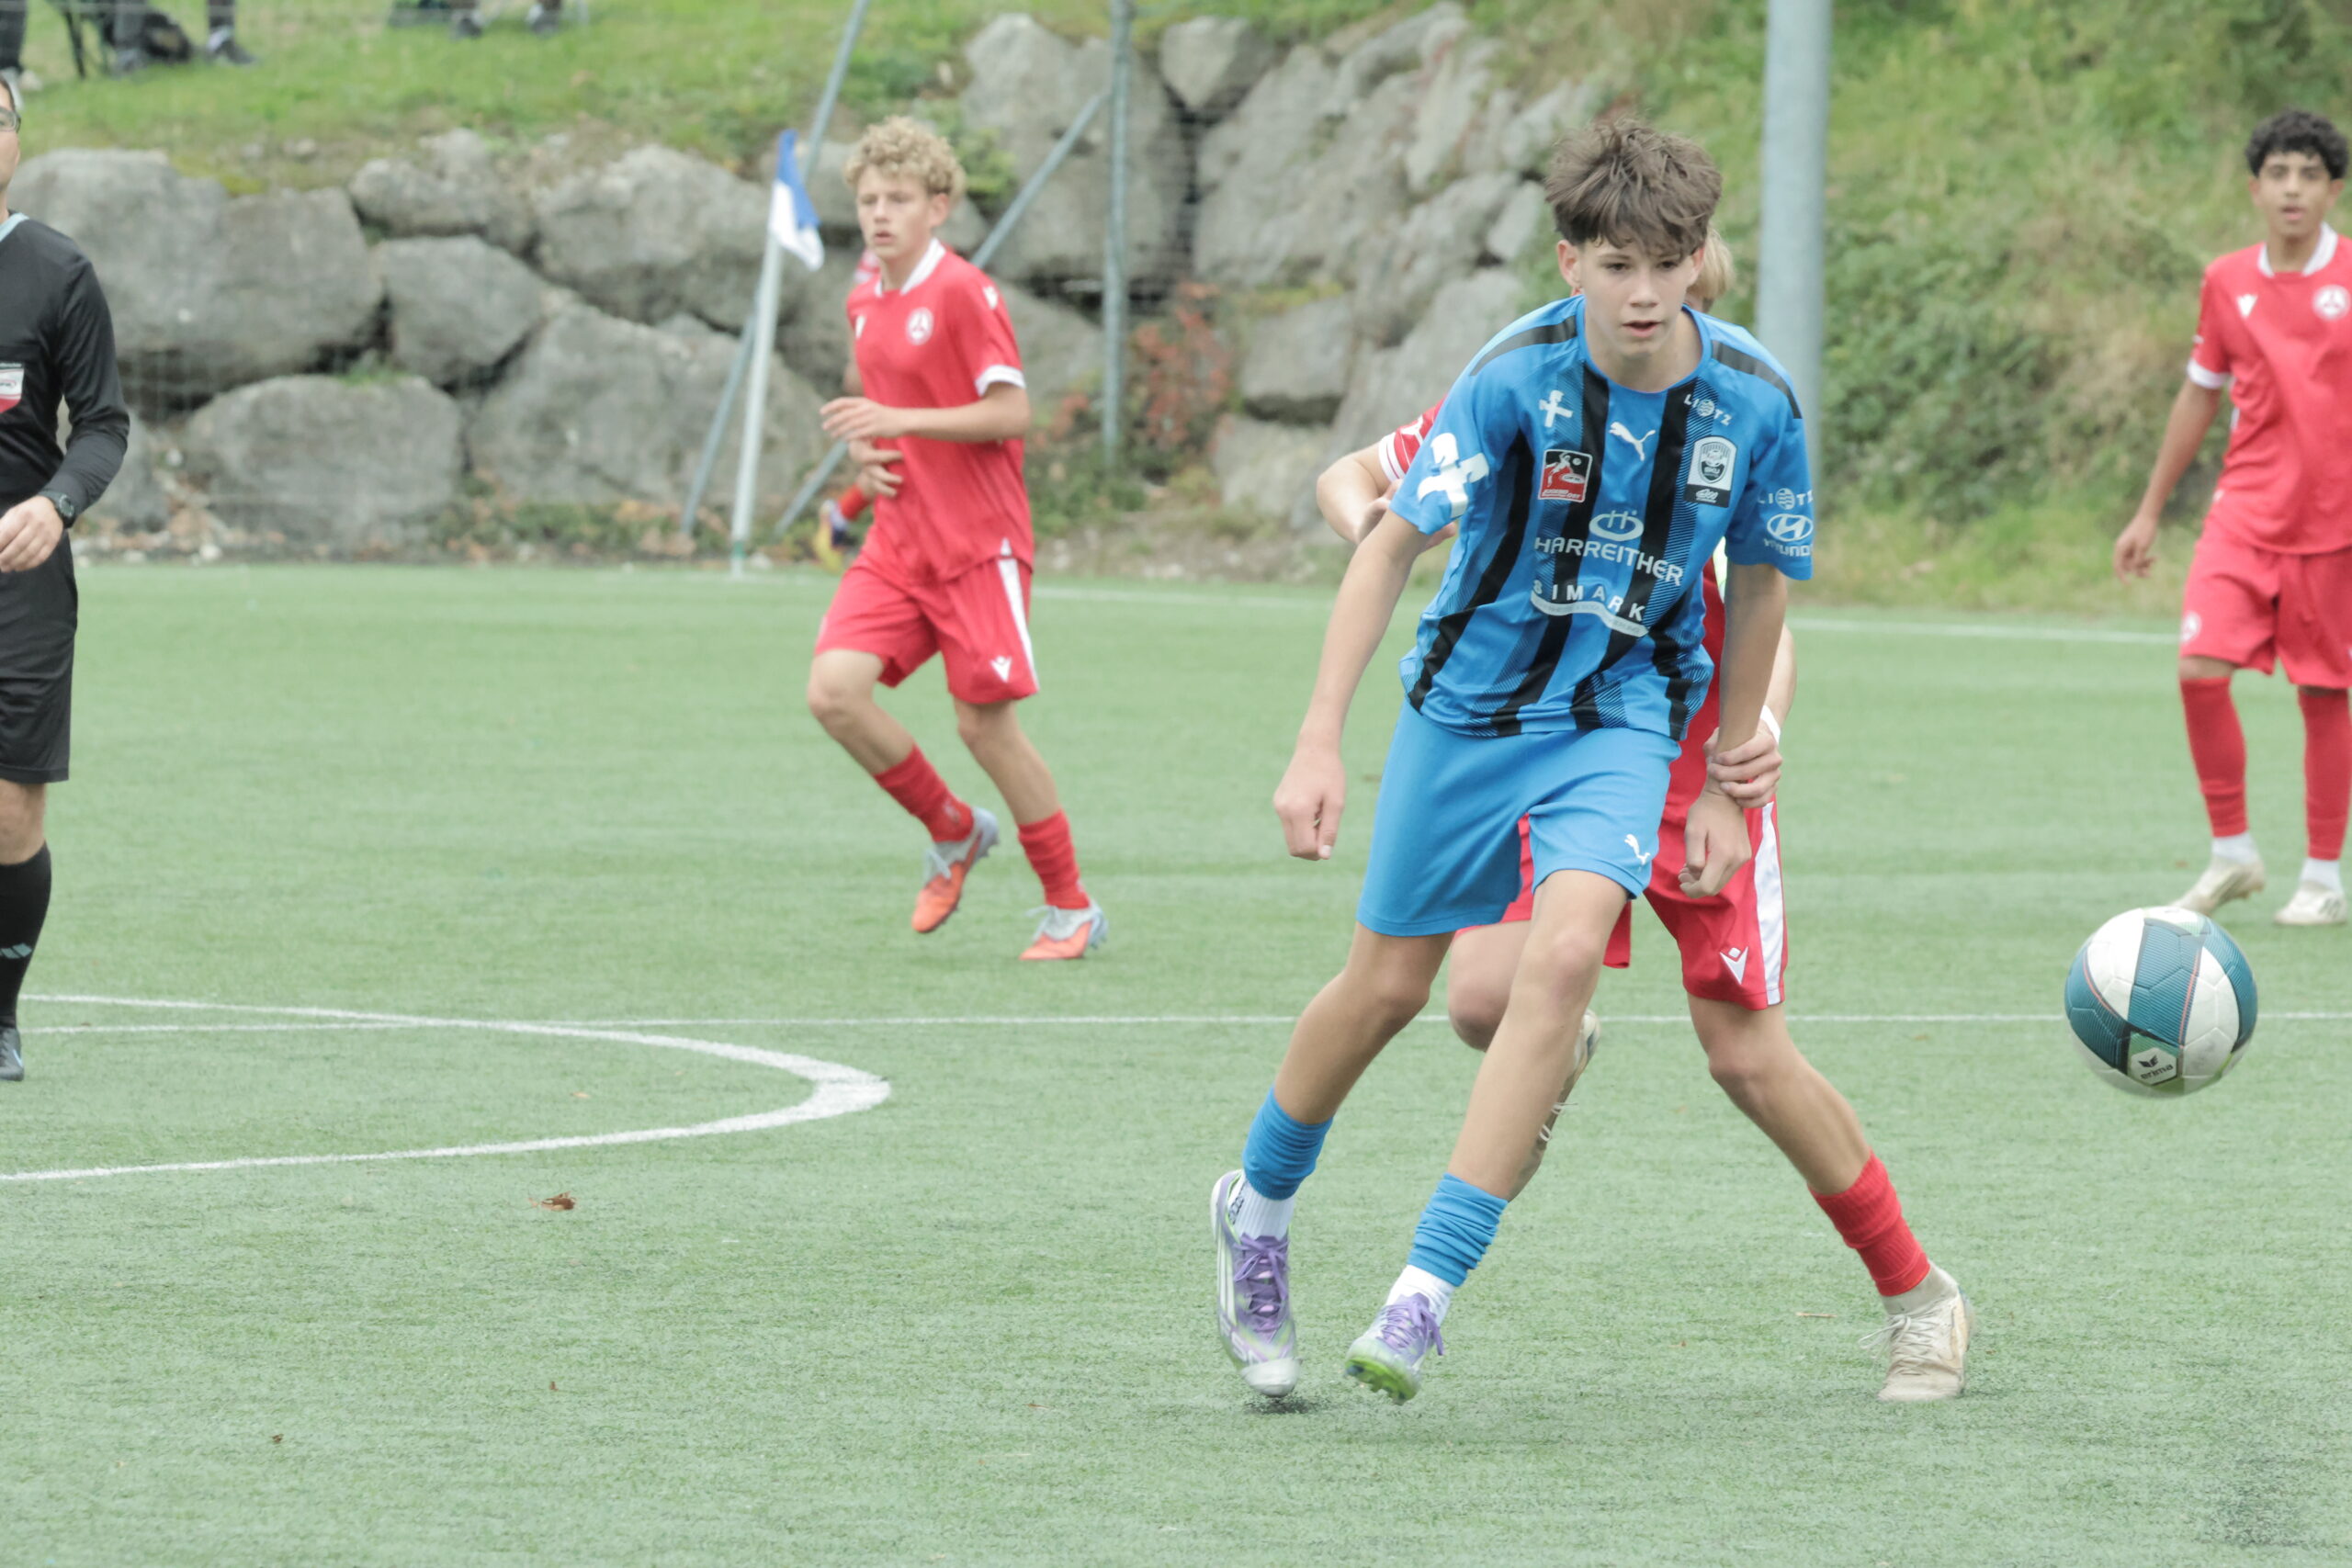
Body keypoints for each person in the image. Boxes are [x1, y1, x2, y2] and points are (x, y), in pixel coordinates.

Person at [1213, 118, 1944, 1410]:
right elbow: (1369, 499)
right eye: (1619, 267)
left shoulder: (1751, 402)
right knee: (1429, 994)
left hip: (1653, 722)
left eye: (1670, 264)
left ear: (1702, 259)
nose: (1647, 293)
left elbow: (1767, 607)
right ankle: (1259, 1208)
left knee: (1732, 1048)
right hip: (1482, 714)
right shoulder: (1517, 378)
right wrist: (1321, 729)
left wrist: (1739, 765)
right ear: (1572, 266)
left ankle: (1432, 1290)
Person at [805, 118, 1103, 961]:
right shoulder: (865, 300)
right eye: (868, 200)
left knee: (984, 729)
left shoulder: (965, 293)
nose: (880, 214)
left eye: (898, 198)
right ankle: (952, 827)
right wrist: (863, 468)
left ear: (938, 207)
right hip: (901, 543)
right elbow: (885, 424)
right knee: (833, 693)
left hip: (979, 546)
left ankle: (1070, 906)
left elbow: (1011, 412)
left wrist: (897, 419)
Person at [2116, 109, 2352, 929]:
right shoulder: (2226, 280)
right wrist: (2148, 510)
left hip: (2334, 527)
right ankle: (2233, 853)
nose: (2293, 189)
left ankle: (2322, 875)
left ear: (2332, 190)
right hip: (2243, 516)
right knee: (2198, 668)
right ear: (2255, 188)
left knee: (2324, 691)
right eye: (2278, 173)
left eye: (2309, 175)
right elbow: (2199, 395)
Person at [0, 70, 130, 1081]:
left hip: (21, 577)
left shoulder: (56, 269)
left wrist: (56, 503)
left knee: (12, 810)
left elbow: (102, 424)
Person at [112, 0, 254, 69]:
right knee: (174, 44)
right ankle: (128, 53)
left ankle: (222, 41)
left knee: (181, 48)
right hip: (117, 19)